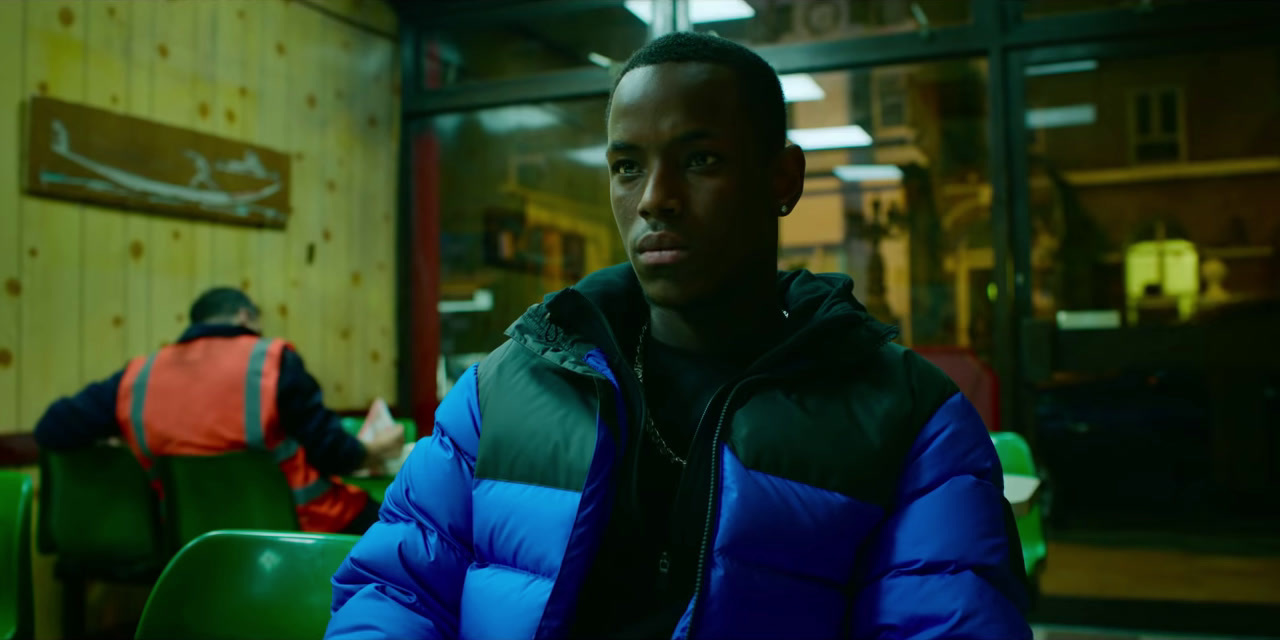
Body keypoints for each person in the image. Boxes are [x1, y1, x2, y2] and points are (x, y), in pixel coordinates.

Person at [327, 32, 1031, 639]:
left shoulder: (909, 418)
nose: (655, 198)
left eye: (701, 161)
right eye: (627, 166)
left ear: (782, 179)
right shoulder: (509, 383)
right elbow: (393, 589)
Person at [32, 287, 404, 535]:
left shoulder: (139, 375)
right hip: (297, 532)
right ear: (245, 317)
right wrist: (375, 450)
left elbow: (52, 428)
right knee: (401, 526)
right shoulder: (273, 361)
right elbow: (332, 454)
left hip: (191, 544)